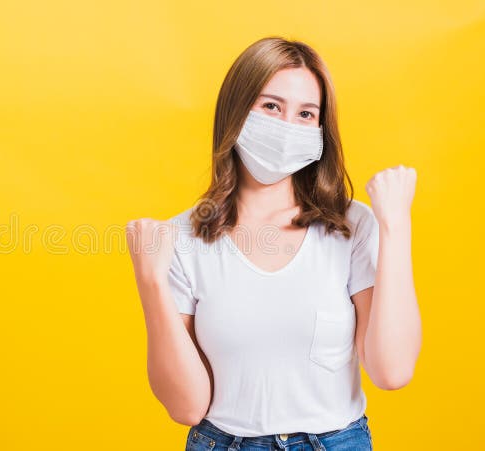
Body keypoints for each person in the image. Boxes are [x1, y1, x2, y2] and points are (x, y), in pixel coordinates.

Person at [125, 36, 421, 451]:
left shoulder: (352, 226)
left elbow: (392, 371)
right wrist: (151, 283)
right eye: (270, 106)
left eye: (305, 114)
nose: (286, 127)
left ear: (320, 129)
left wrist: (396, 228)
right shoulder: (182, 239)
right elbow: (187, 407)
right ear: (235, 111)